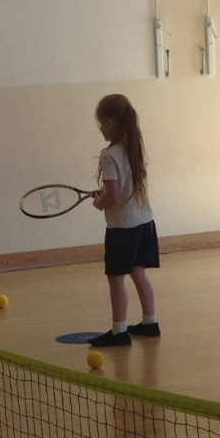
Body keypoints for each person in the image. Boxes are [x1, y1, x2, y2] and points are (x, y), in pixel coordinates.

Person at [87, 94, 160, 349]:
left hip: (123, 228)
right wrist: (105, 194)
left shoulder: (110, 155)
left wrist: (99, 202)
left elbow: (114, 194)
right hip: (144, 222)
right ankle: (150, 323)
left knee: (116, 278)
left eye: (101, 123)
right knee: (139, 274)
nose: (101, 129)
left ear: (110, 122)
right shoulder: (134, 148)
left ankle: (119, 332)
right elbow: (122, 189)